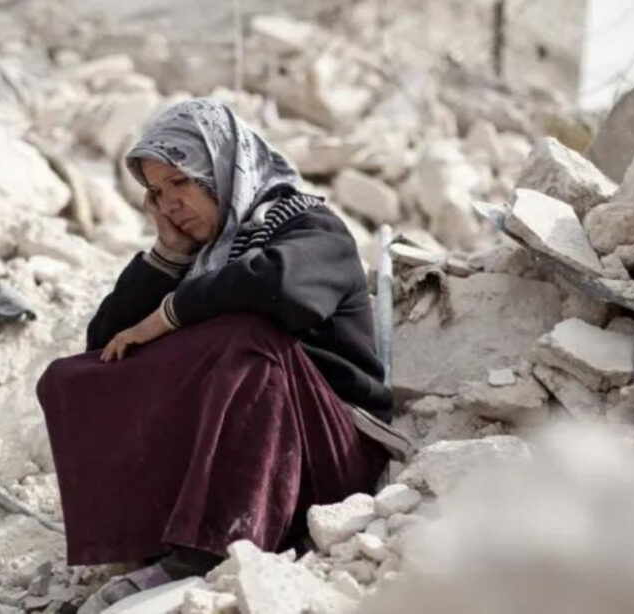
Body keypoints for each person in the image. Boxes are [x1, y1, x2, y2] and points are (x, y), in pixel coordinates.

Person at [36, 98, 410, 610]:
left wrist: (170, 314)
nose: (169, 204)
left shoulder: (311, 227)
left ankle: (207, 550)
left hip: (330, 460)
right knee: (71, 376)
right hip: (251, 465)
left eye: (181, 182)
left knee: (244, 336)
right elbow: (105, 343)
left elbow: (276, 287)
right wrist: (167, 257)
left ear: (221, 169)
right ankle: (148, 536)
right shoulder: (203, 256)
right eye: (155, 192)